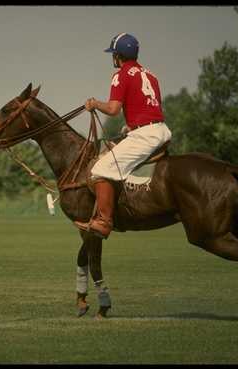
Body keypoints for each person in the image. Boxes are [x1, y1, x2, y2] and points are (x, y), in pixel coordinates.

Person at [74, 33, 172, 239]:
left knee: (100, 169)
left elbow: (113, 109)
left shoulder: (121, 75)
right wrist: (132, 126)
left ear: (118, 56)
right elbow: (150, 108)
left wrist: (94, 104)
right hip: (160, 129)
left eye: (113, 54)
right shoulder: (151, 75)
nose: (113, 58)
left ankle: (103, 222)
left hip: (146, 135)